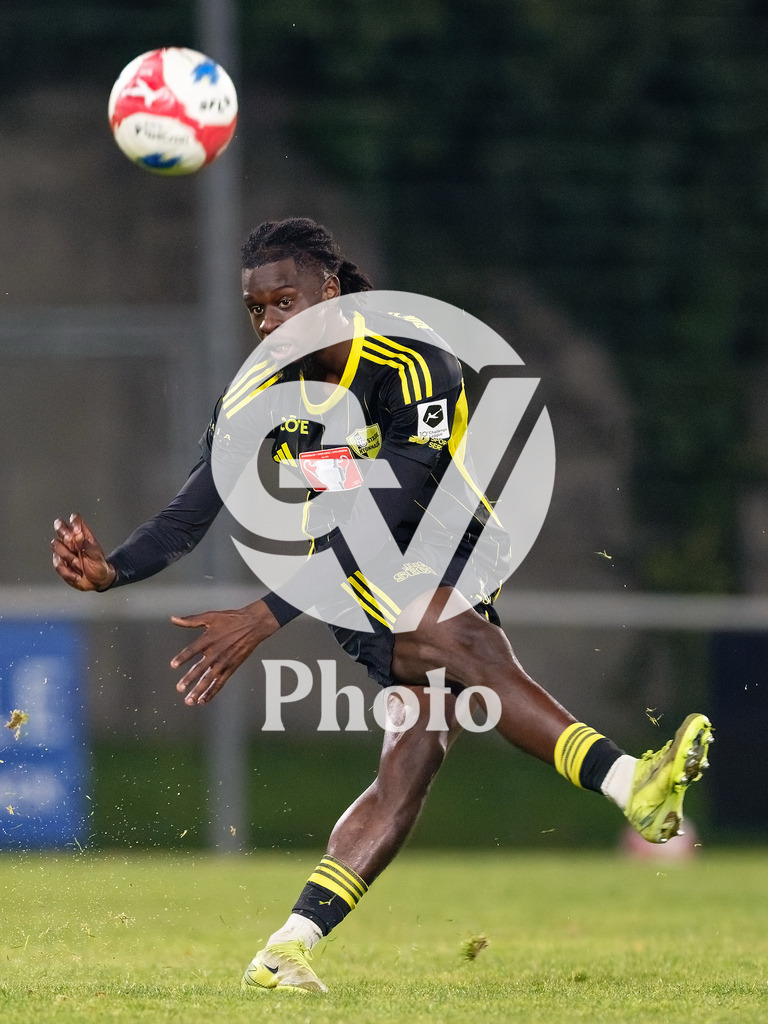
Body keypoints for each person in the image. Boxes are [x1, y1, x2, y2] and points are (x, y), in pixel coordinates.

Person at [51, 216, 714, 994]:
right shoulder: (259, 391)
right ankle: (630, 782)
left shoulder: (414, 362)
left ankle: (287, 945)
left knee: (413, 760)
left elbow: (395, 508)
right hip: (355, 575)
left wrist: (264, 615)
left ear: (329, 293)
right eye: (256, 309)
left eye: (284, 302)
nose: (268, 323)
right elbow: (188, 515)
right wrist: (112, 572)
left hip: (444, 544)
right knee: (466, 649)